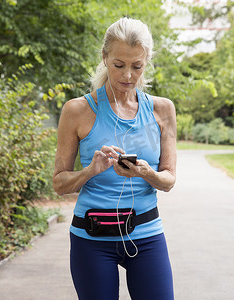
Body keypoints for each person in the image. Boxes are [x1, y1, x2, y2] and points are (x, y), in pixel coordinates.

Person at [52, 17, 177, 300]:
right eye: (119, 65)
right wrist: (90, 171)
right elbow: (60, 184)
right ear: (105, 57)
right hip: (91, 238)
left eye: (137, 66)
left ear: (147, 61)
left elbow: (168, 180)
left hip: (146, 236)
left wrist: (147, 173)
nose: (128, 76)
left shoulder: (162, 110)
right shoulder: (77, 111)